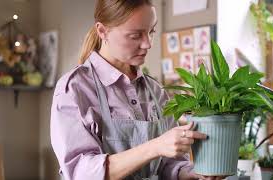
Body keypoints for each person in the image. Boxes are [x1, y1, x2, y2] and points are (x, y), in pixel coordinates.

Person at [51, 0, 224, 179]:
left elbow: (169, 165)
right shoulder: (74, 89)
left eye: (151, 32)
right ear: (102, 31)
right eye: (135, 35)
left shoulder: (155, 90)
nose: (147, 44)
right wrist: (154, 146)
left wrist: (192, 173)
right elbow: (81, 172)